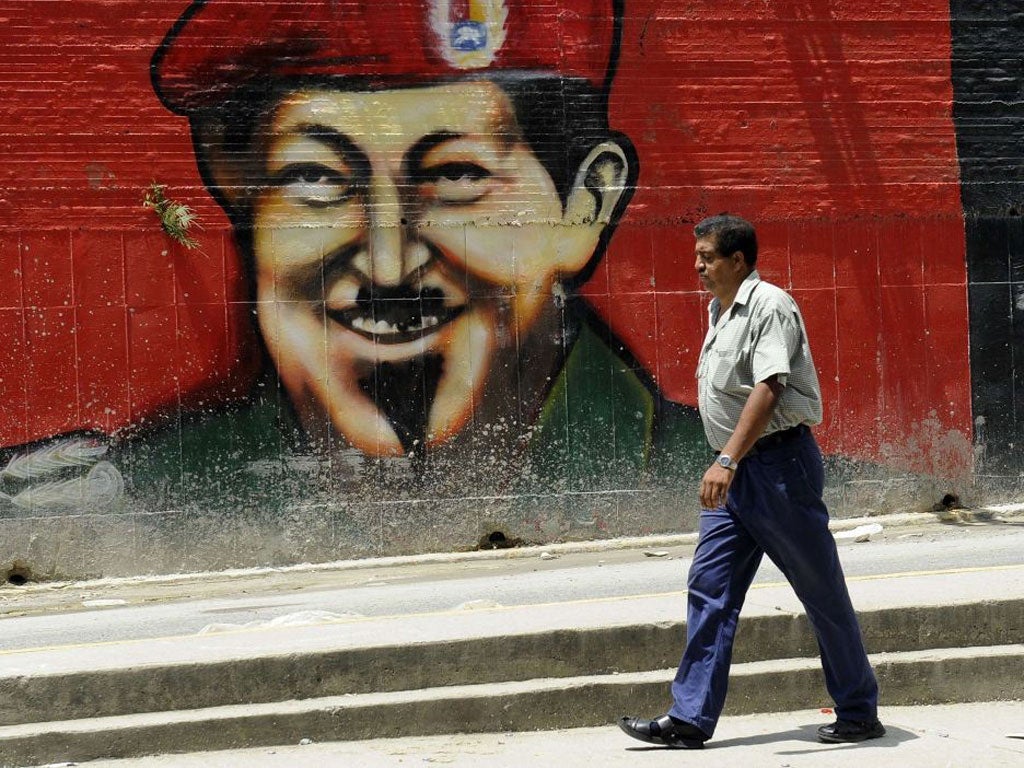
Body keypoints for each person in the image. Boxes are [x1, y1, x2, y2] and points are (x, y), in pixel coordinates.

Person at [116, 0, 706, 513]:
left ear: (585, 206)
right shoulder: (139, 496)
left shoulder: (705, 478)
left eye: (455, 175)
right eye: (318, 178)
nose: (389, 266)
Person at [618, 214, 883, 748]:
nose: (697, 267)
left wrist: (729, 460)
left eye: (707, 257)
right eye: (697, 256)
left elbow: (769, 388)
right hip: (735, 474)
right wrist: (728, 461)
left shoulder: (770, 306)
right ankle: (690, 718)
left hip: (776, 468)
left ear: (738, 260)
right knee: (709, 589)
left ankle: (857, 709)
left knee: (819, 589)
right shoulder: (718, 310)